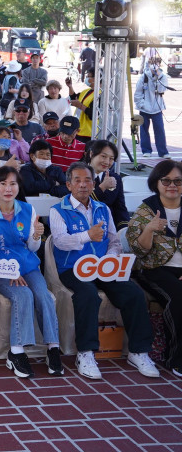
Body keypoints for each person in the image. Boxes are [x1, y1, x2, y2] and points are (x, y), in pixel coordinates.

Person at [49, 162, 158, 380]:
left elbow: (114, 240)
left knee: (133, 293)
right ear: (68, 185)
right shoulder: (58, 211)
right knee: (88, 295)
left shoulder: (102, 209)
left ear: (94, 183)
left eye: (87, 180)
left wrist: (111, 259)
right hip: (73, 268)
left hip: (103, 267)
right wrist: (87, 236)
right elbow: (60, 242)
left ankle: (138, 351)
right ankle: (86, 353)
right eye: (77, 180)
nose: (83, 185)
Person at [0, 166, 62, 378]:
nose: (8, 188)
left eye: (13, 184)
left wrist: (36, 235)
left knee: (44, 295)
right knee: (23, 294)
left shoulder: (27, 210)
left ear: (19, 187)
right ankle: (16, 352)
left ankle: (53, 348)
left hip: (27, 265)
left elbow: (32, 248)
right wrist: (7, 270)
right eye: (3, 183)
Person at [126, 160, 182, 377]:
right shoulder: (146, 210)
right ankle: (175, 359)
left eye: (177, 180)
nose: (172, 185)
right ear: (156, 183)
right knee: (178, 297)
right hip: (153, 268)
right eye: (166, 180)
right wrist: (149, 229)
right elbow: (140, 252)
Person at [87, 140, 129, 230]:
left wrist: (124, 230)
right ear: (91, 154)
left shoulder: (115, 178)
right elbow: (81, 202)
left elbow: (120, 208)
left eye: (111, 159)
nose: (107, 162)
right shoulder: (79, 174)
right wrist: (102, 187)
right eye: (103, 156)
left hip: (109, 227)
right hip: (84, 226)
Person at [134, 55, 170, 158]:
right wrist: (141, 104)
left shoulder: (163, 77)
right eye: (152, 64)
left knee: (159, 130)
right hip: (144, 108)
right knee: (144, 130)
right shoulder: (144, 77)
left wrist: (159, 77)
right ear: (148, 64)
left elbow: (162, 90)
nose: (154, 66)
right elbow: (138, 93)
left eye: (156, 64)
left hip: (157, 108)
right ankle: (146, 150)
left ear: (159, 65)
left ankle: (163, 152)